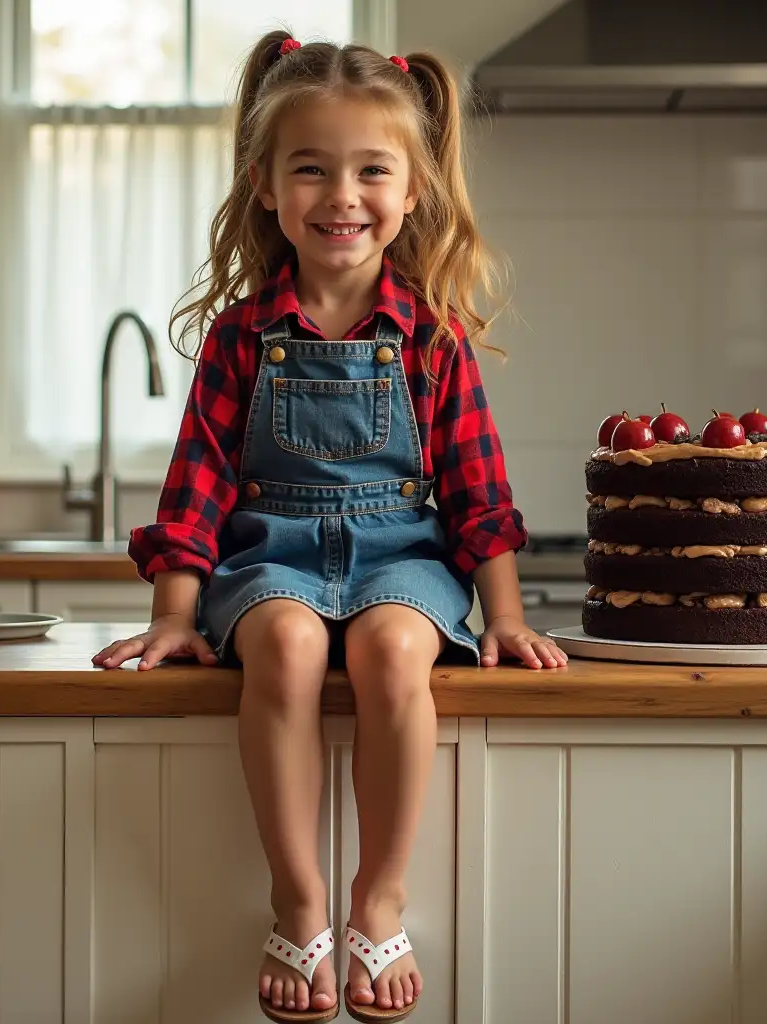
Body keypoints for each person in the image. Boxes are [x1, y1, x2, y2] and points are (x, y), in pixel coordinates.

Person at [93, 29, 568, 1023]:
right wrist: (176, 615)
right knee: (286, 645)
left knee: (398, 652)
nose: (340, 196)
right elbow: (199, 486)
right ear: (265, 184)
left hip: (404, 550)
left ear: (410, 190)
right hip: (274, 548)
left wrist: (507, 616)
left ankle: (378, 895)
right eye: (311, 169)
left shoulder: (433, 335)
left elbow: (478, 492)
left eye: (370, 171)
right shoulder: (239, 335)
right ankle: (298, 895)